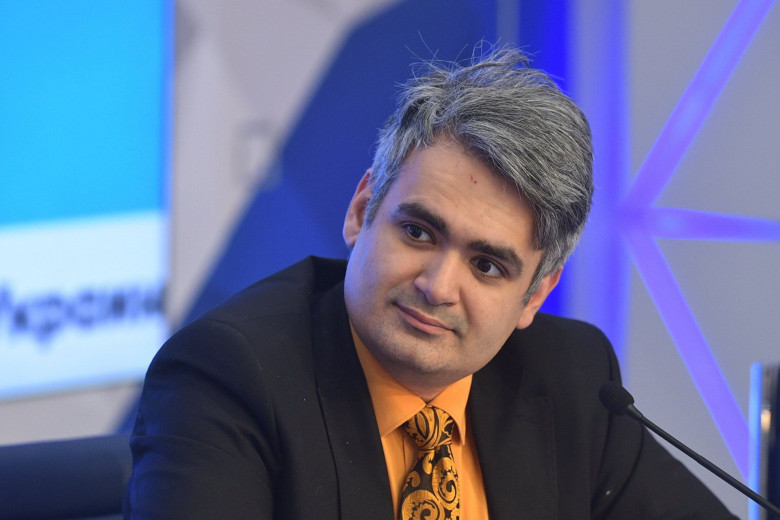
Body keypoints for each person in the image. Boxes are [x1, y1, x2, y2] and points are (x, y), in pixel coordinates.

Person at [124, 47, 737, 519]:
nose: (438, 286)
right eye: (418, 232)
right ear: (361, 211)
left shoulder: (572, 379)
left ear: (536, 295)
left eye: (487, 266)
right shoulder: (230, 376)